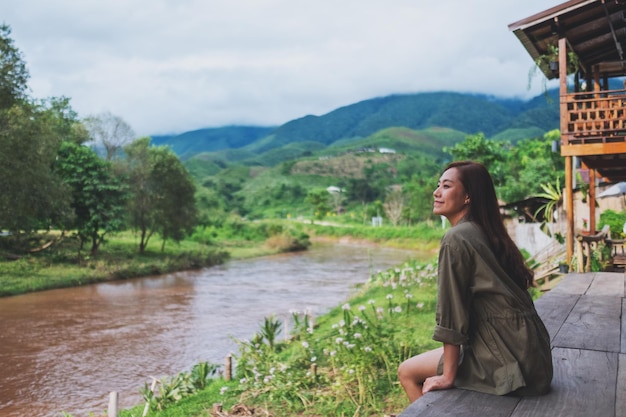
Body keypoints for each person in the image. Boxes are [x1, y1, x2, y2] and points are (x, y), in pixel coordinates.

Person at [398, 161, 553, 402]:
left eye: (446, 186)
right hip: (534, 358)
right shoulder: (486, 230)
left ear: (468, 196)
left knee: (407, 371)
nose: (436, 192)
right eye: (438, 185)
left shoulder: (456, 238)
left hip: (509, 363)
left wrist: (448, 375)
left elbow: (451, 315)